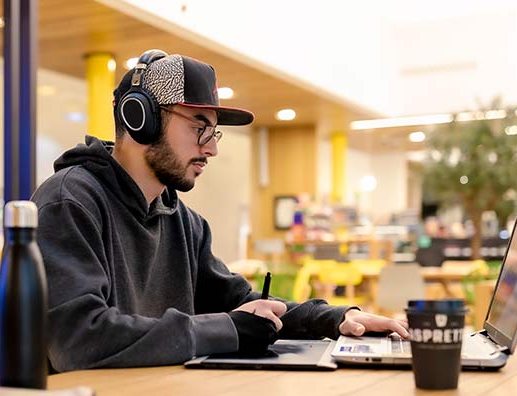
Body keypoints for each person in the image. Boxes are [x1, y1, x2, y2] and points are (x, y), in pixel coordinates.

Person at [31, 50, 408, 373]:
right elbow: (77, 340)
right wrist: (227, 329)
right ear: (138, 117)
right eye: (200, 127)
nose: (211, 149)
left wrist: (336, 319)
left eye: (214, 133)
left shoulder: (183, 221)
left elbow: (240, 304)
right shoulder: (70, 203)